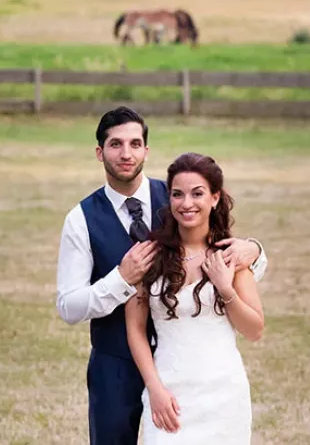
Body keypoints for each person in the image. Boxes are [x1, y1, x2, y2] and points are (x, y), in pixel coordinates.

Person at [55, 107, 268, 445]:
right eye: (115, 144)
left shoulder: (176, 197)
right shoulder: (80, 220)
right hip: (118, 360)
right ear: (100, 152)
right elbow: (68, 307)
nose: (126, 153)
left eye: (135, 144)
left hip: (195, 368)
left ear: (146, 150)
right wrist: (120, 279)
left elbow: (221, 249)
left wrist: (255, 250)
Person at [125, 152, 264, 444]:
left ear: (215, 198)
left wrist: (226, 290)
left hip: (223, 396)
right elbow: (136, 329)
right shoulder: (151, 256)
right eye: (177, 194)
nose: (186, 203)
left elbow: (254, 330)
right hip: (168, 393)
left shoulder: (231, 257)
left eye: (197, 193)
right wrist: (154, 388)